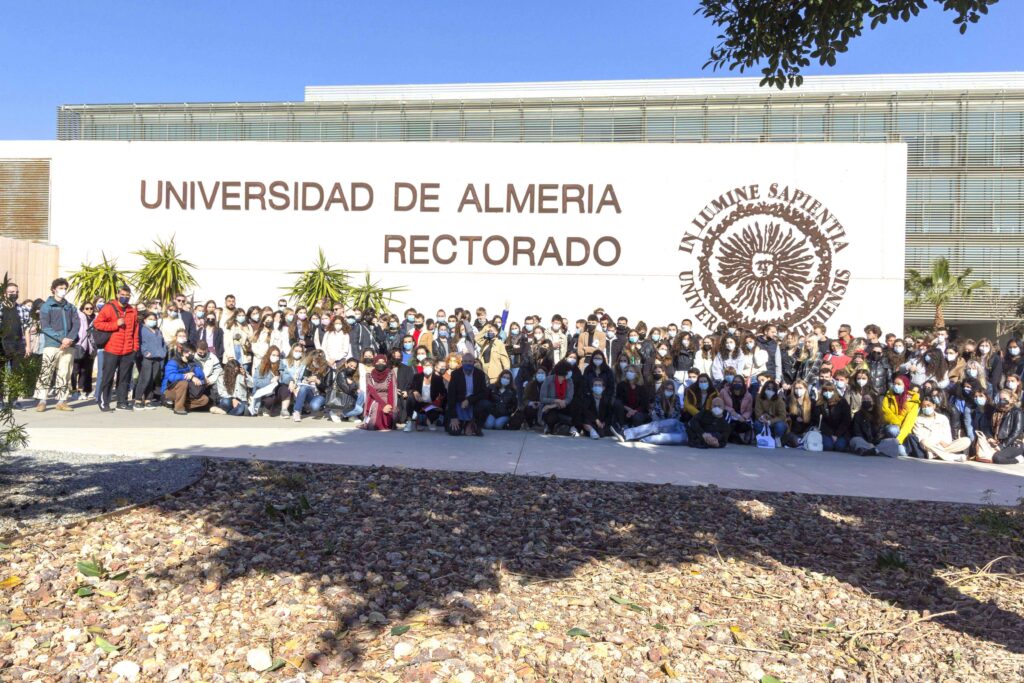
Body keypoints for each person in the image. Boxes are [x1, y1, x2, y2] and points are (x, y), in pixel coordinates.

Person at [33, 278, 81, 412]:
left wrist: (70, 338)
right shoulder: (46, 306)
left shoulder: (70, 306)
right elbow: (46, 326)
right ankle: (42, 400)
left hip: (69, 345)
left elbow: (76, 324)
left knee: (65, 373)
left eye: (65, 288)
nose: (63, 291)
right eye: (60, 288)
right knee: (46, 372)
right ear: (54, 289)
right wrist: (62, 339)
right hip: (52, 344)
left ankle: (61, 401)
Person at [93, 284, 139, 412]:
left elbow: (135, 331)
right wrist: (115, 324)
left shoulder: (132, 310)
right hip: (112, 349)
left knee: (124, 377)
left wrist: (135, 347)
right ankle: (104, 402)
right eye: (122, 295)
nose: (125, 297)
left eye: (127, 296)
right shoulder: (109, 308)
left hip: (128, 350)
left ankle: (122, 401)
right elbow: (98, 324)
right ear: (118, 295)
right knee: (108, 376)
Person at [618, 378, 686, 444]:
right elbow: (658, 411)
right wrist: (666, 420)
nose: (669, 391)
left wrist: (670, 416)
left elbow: (677, 412)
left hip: (677, 427)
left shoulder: (676, 398)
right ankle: (626, 434)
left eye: (671, 389)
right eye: (667, 389)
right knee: (656, 426)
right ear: (663, 389)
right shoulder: (659, 397)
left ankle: (640, 438)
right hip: (661, 420)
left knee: (665, 436)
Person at [911, 395, 971, 462]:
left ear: (934, 406)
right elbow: (920, 437)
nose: (926, 408)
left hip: (942, 445)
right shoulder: (918, 419)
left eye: (928, 405)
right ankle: (954, 457)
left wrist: (943, 443)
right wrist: (938, 441)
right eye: (924, 406)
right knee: (925, 442)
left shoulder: (943, 418)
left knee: (966, 441)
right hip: (928, 445)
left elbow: (947, 434)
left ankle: (935, 454)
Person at [162, 343, 209, 415]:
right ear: (183, 352)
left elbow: (201, 375)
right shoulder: (173, 362)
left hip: (186, 392)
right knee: (183, 382)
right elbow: (171, 377)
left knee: (204, 400)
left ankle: (178, 404)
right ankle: (178, 408)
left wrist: (193, 375)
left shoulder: (193, 362)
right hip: (170, 390)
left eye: (193, 353)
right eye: (189, 352)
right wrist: (186, 376)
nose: (191, 355)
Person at [1, 280, 26, 408]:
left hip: (18, 344)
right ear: (5, 294)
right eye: (11, 292)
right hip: (2, 344)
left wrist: (28, 346)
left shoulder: (22, 309)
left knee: (17, 373)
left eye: (16, 292)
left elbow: (26, 328)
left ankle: (13, 400)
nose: (14, 294)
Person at [880, 375, 920, 457]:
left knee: (902, 453)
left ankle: (890, 445)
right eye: (894, 383)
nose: (896, 386)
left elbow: (909, 422)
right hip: (892, 426)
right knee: (893, 429)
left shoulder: (913, 400)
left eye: (899, 384)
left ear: (905, 385)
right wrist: (897, 423)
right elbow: (885, 412)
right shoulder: (889, 396)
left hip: (904, 432)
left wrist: (899, 440)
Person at [134, 312, 167, 409]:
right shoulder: (142, 329)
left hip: (157, 357)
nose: (153, 321)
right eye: (150, 319)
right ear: (145, 320)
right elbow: (139, 342)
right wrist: (145, 352)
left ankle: (148, 399)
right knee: (145, 378)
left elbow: (163, 343)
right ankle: (138, 399)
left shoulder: (157, 330)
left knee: (152, 379)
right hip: (147, 358)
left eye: (154, 319)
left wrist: (163, 352)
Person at [361, 353, 399, 431]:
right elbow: (372, 392)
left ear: (386, 363)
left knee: (389, 414)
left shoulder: (390, 374)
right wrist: (383, 405)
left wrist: (389, 405)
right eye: (378, 362)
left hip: (388, 397)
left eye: (383, 362)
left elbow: (392, 391)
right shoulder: (369, 375)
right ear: (375, 363)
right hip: (375, 398)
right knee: (377, 408)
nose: (380, 364)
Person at [408, 357, 447, 430]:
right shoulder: (417, 376)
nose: (428, 367)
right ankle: (409, 421)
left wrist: (439, 400)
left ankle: (430, 420)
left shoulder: (438, 379)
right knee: (410, 398)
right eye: (426, 365)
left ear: (433, 367)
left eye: (430, 365)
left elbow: (443, 392)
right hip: (420, 402)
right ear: (422, 366)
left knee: (434, 410)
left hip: (432, 404)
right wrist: (415, 391)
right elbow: (411, 388)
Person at [539, 361, 577, 436]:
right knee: (551, 417)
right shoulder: (549, 380)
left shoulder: (569, 381)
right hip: (550, 409)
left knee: (575, 409)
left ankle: (565, 425)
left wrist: (552, 406)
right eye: (569, 370)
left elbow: (569, 399)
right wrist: (556, 400)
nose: (570, 373)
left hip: (561, 406)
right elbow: (542, 398)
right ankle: (555, 426)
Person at [252, 346, 291, 417]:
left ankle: (284, 410)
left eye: (277, 355)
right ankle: (265, 408)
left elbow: (287, 377)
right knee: (270, 400)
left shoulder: (281, 364)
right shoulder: (261, 366)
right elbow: (256, 382)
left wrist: (279, 377)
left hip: (277, 390)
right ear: (269, 355)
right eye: (273, 355)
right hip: (266, 392)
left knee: (285, 389)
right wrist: (270, 381)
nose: (275, 357)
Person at [813, 381, 852, 451]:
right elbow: (819, 421)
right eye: (825, 390)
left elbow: (846, 420)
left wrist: (837, 434)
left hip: (841, 432)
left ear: (834, 391)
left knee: (840, 447)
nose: (828, 392)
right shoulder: (819, 403)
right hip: (826, 432)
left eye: (830, 390)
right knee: (828, 446)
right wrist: (830, 434)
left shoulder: (842, 402)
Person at [614, 365, 651, 429]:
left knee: (637, 417)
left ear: (637, 374)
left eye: (631, 371)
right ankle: (623, 425)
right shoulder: (621, 385)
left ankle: (634, 429)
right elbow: (619, 400)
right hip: (625, 411)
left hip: (638, 412)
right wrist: (629, 410)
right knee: (617, 403)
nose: (628, 373)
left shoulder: (642, 387)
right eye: (627, 371)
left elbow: (644, 405)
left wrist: (634, 411)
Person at [753, 380, 788, 447]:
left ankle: (777, 438)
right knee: (757, 424)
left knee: (780, 425)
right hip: (763, 420)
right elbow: (757, 412)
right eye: (768, 388)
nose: (770, 390)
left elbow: (782, 416)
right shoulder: (759, 397)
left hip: (774, 422)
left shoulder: (779, 400)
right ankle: (761, 438)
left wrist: (770, 421)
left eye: (772, 389)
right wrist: (762, 418)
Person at [720, 376, 753, 444]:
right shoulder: (724, 391)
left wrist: (744, 417)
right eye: (735, 381)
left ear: (743, 383)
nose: (737, 383)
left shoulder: (748, 395)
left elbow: (749, 410)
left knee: (745, 425)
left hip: (741, 416)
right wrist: (732, 411)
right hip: (729, 414)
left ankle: (736, 436)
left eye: (739, 382)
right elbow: (721, 405)